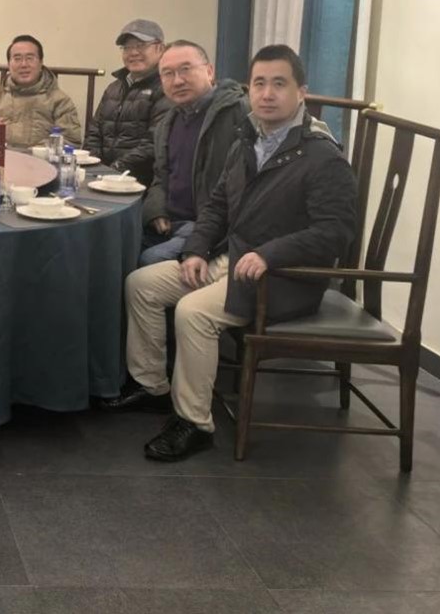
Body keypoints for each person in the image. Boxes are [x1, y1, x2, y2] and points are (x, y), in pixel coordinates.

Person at [104, 44, 356, 462]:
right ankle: (152, 386)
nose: (267, 94)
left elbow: (336, 232)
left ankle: (194, 423)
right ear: (248, 88)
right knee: (142, 284)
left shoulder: (321, 156)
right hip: (234, 259)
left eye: (279, 84)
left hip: (282, 278)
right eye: (259, 83)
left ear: (301, 92)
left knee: (194, 313)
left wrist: (270, 254)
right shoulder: (248, 141)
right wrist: (196, 249)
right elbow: (218, 205)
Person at [139, 40, 248, 266]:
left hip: (208, 228)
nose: (177, 81)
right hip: (169, 223)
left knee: (149, 259)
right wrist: (156, 211)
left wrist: (203, 233)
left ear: (209, 71)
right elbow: (160, 176)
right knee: (116, 247)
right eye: (168, 74)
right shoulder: (168, 122)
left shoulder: (239, 113)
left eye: (186, 69)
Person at [85, 19, 173, 185]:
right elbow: (94, 133)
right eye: (127, 47)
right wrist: (94, 167)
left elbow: (153, 143)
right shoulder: (113, 88)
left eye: (140, 46)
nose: (133, 53)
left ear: (160, 48)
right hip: (104, 178)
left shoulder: (166, 88)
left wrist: (115, 170)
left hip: (141, 182)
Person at [0, 34, 82, 148]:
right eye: (17, 59)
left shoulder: (60, 101)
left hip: (40, 159)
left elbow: (71, 140)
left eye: (30, 58)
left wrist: (36, 152)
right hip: (0, 158)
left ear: (41, 63)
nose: (24, 64)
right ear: (9, 64)